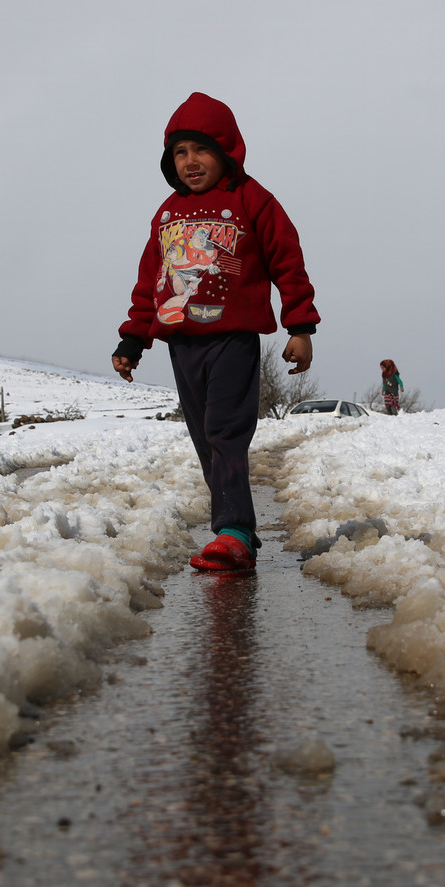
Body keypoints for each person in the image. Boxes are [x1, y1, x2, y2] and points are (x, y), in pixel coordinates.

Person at [112, 92, 321, 572]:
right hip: (182, 341)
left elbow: (287, 261)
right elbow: (151, 280)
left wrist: (300, 325)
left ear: (227, 150)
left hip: (232, 336)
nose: (190, 161)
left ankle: (233, 531)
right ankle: (235, 529)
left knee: (225, 430)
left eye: (201, 149)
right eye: (179, 152)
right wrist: (133, 338)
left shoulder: (252, 199)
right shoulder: (167, 213)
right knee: (205, 437)